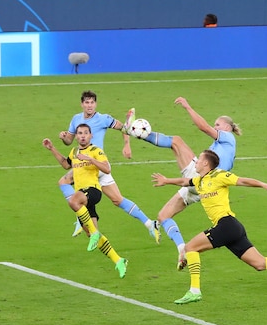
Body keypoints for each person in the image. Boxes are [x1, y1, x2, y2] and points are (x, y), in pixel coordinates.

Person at [152, 149, 267, 304]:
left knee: (190, 247)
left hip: (226, 225)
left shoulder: (219, 175)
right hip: (232, 229)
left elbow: (243, 181)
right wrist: (166, 181)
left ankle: (194, 291)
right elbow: (184, 181)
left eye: (198, 160)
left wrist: (264, 185)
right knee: (260, 264)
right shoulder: (200, 181)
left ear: (205, 163)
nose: (195, 163)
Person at [124, 98, 239, 266]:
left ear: (227, 127)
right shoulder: (222, 146)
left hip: (203, 178)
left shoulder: (228, 137)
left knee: (176, 141)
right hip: (201, 188)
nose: (215, 128)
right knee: (163, 216)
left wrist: (188, 107)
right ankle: (181, 249)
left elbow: (203, 127)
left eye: (218, 125)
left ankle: (133, 132)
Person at [58, 91, 158, 241]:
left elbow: (124, 128)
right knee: (118, 200)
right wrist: (64, 138)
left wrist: (126, 145)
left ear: (95, 104)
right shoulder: (76, 119)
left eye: (92, 102)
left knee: (65, 183)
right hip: (85, 164)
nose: (89, 105)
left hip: (96, 165)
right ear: (82, 104)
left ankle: (80, 217)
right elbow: (69, 141)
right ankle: (150, 223)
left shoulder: (103, 119)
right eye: (86, 102)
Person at [42, 125, 129, 278]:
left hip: (93, 190)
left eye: (85, 133)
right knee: (91, 234)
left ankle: (95, 234)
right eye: (80, 133)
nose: (82, 136)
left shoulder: (96, 151)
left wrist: (90, 159)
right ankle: (119, 260)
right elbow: (65, 164)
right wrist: (52, 149)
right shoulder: (74, 152)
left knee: (73, 202)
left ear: (91, 136)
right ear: (76, 136)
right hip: (84, 196)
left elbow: (107, 169)